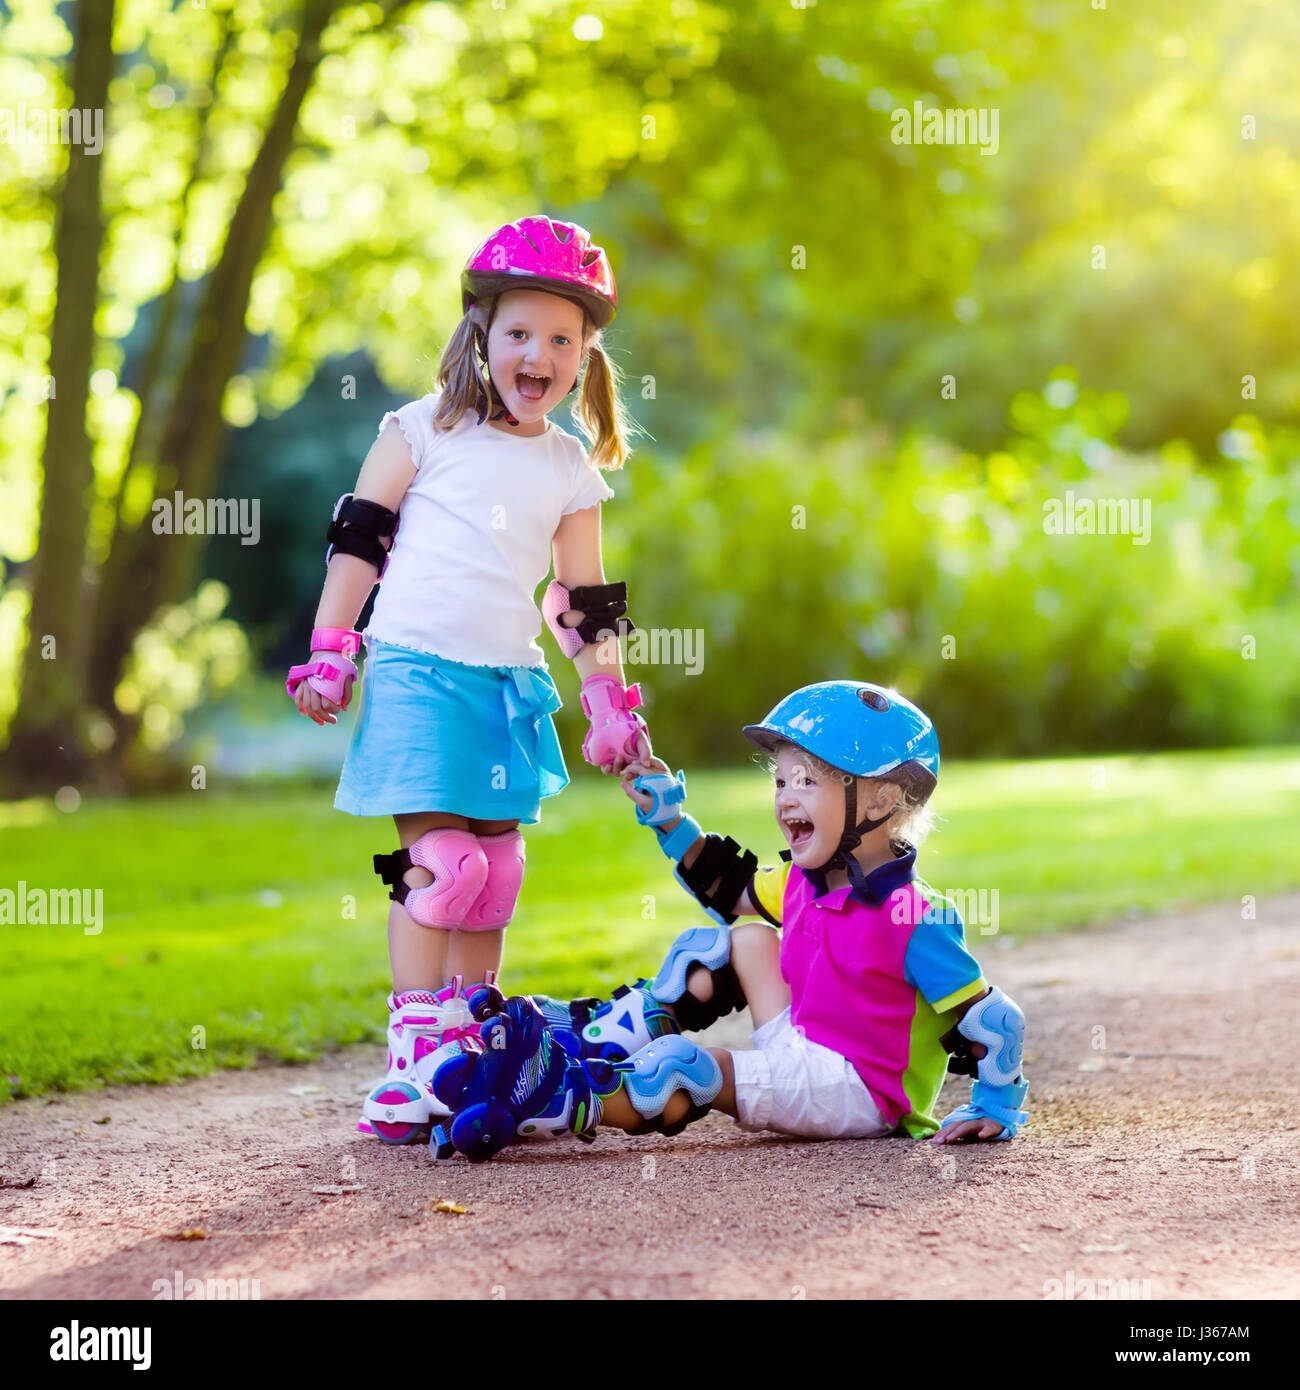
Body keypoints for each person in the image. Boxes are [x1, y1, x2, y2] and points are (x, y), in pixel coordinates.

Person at [285, 215, 652, 1144]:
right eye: (519, 332)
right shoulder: (421, 428)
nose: (539, 353)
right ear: (481, 336)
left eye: (561, 340)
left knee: (494, 879)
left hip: (505, 685)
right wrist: (333, 648)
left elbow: (584, 602)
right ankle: (414, 1058)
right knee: (442, 871)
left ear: (584, 358)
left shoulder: (569, 465)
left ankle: (473, 1040)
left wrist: (608, 703)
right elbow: (360, 541)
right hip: (414, 671)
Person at [427, 681, 1030, 1162]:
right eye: (781, 780)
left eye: (808, 781)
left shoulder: (913, 915)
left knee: (683, 1068)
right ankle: (584, 1041)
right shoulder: (802, 882)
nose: (786, 797)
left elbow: (993, 1019)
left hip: (859, 1092)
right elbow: (730, 886)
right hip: (803, 1042)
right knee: (733, 938)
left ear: (878, 802)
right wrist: (669, 819)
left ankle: (559, 1094)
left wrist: (996, 1105)